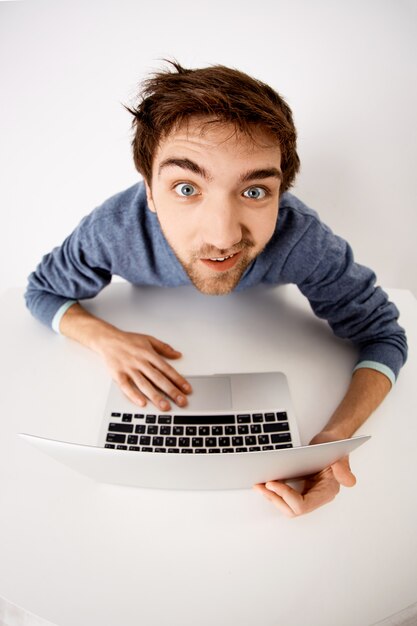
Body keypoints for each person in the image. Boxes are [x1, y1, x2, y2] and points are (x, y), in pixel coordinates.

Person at [25, 60, 407, 517]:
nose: (223, 237)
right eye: (186, 188)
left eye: (254, 192)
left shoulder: (302, 239)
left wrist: (331, 442)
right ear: (148, 189)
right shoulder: (114, 231)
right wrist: (104, 338)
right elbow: (40, 291)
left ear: (281, 191)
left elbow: (384, 335)